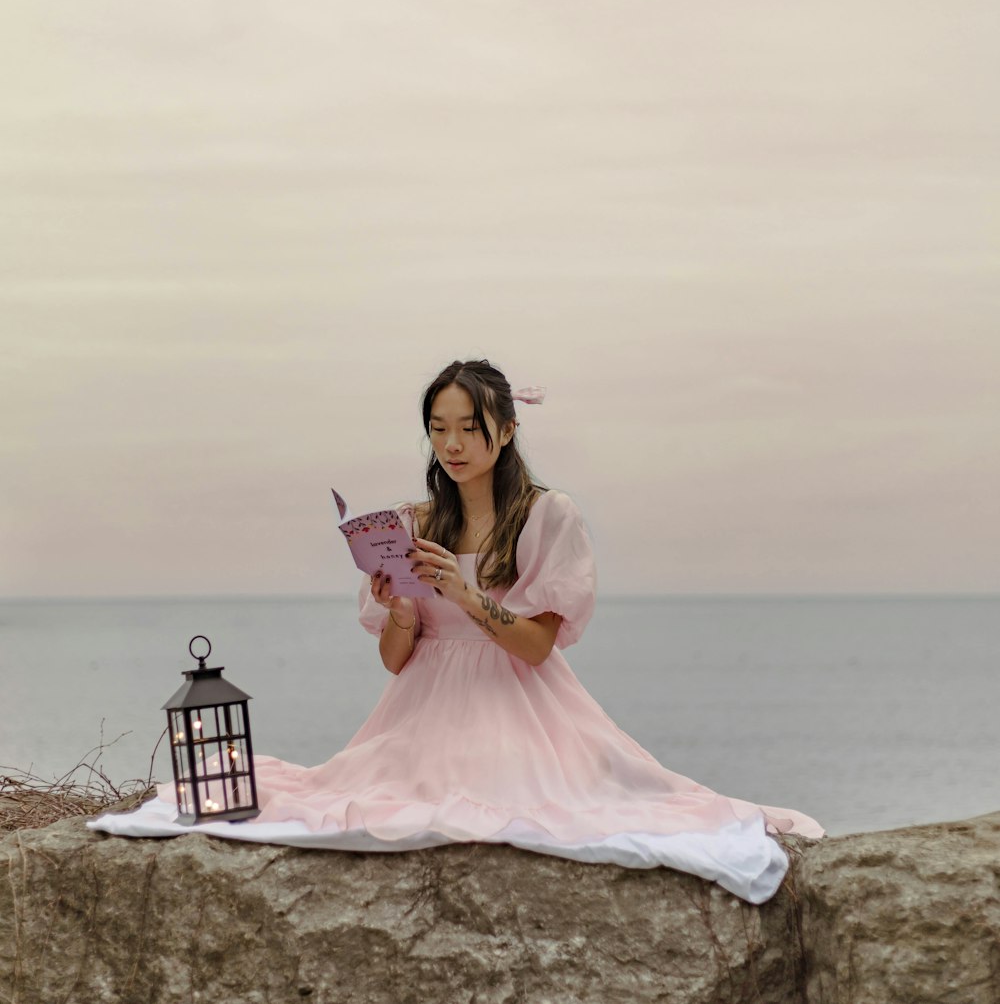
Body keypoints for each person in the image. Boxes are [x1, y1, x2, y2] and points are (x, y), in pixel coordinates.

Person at [89, 357, 824, 904]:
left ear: (505, 429)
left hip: (518, 704)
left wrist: (467, 597)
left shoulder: (546, 514)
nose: (453, 443)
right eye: (438, 429)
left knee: (541, 807)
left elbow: (537, 646)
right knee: (372, 801)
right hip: (422, 710)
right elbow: (396, 661)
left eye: (469, 427)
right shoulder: (413, 521)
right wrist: (402, 604)